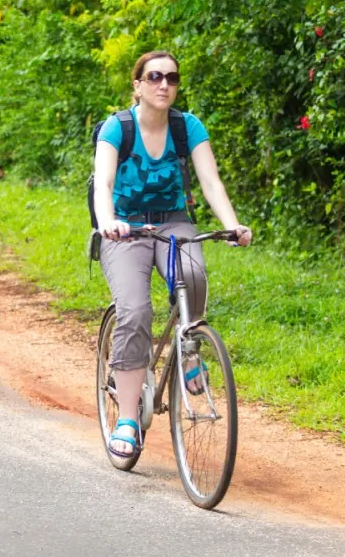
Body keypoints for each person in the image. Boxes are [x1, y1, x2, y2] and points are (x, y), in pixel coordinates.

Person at [93, 50, 252, 462]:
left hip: (174, 222)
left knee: (193, 276)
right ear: (138, 84)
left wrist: (232, 224)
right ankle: (127, 418)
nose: (164, 84)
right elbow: (103, 184)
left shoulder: (187, 127)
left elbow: (211, 182)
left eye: (172, 78)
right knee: (134, 310)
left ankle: (189, 352)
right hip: (125, 227)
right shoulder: (117, 128)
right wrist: (108, 221)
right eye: (155, 77)